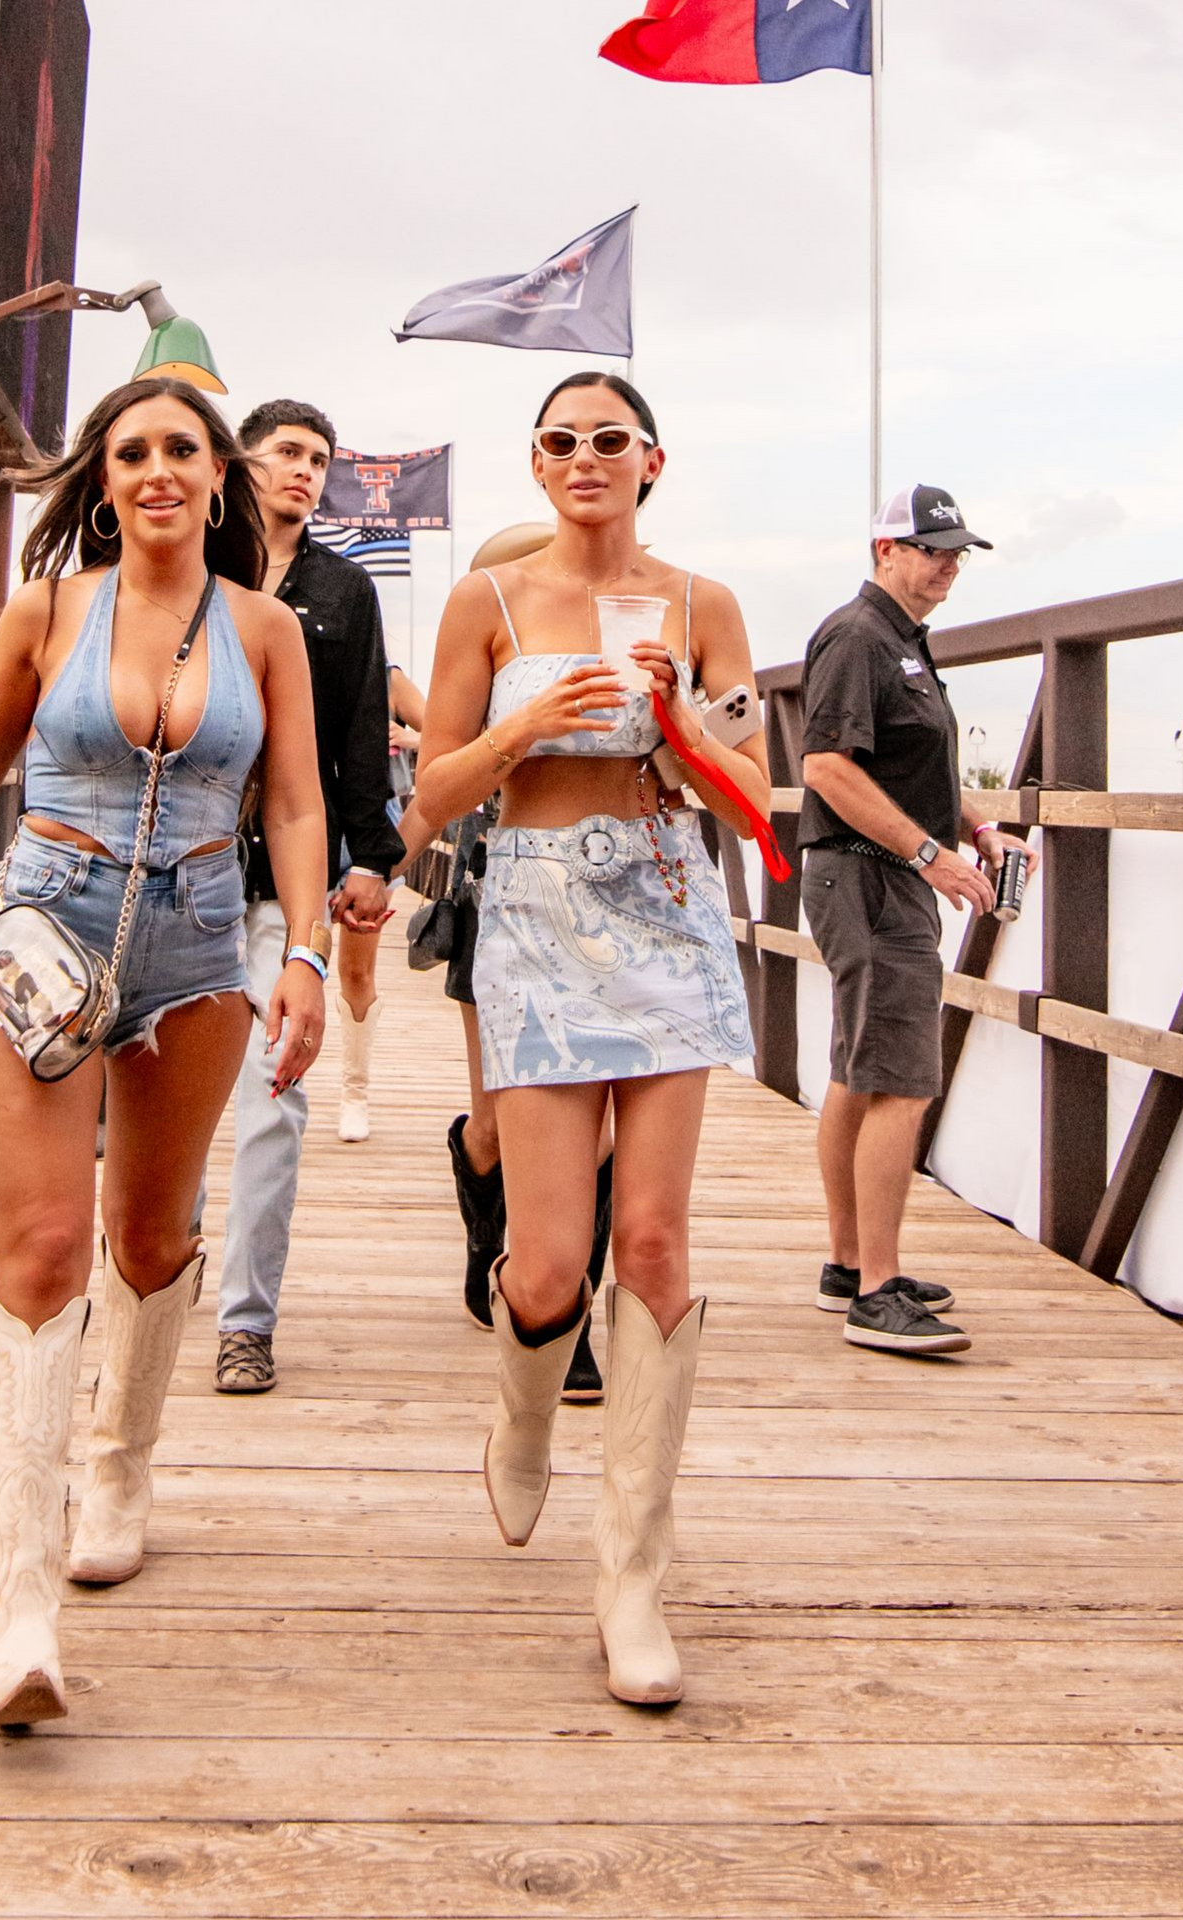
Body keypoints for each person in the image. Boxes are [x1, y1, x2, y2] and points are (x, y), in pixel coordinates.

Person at [0, 377, 329, 1728]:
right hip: (48, 935)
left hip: (200, 952)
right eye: (132, 451)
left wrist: (307, 953)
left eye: (181, 452)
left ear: (219, 479)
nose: (157, 471)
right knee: (39, 1252)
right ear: (104, 478)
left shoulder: (266, 629)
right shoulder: (48, 611)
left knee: (148, 1241)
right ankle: (17, 1603)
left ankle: (121, 1460)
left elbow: (299, 801)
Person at [413, 372, 765, 1706]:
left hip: (670, 909)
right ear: (537, 462)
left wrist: (682, 722)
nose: (583, 458)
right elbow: (429, 801)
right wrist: (518, 729)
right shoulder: (488, 604)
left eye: (608, 439)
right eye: (560, 441)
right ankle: (522, 1403)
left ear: (651, 459)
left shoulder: (703, 604)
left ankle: (633, 1579)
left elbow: (748, 798)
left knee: (657, 1242)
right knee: (549, 1260)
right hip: (543, 914)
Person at [798, 484, 1036, 1355]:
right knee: (900, 1081)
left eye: (956, 551)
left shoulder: (901, 643)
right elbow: (825, 765)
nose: (948, 564)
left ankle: (847, 1264)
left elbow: (910, 765)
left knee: (861, 1073)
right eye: (932, 548)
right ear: (883, 551)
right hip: (868, 877)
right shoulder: (859, 636)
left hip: (872, 876)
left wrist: (975, 827)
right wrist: (929, 855)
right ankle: (877, 1292)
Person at [214, 399, 404, 1394]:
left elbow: (362, 729)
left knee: (274, 1099)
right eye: (287, 452)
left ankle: (246, 1321)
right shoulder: (195, 569)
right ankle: (136, 1287)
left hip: (283, 881)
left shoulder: (344, 590)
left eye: (319, 459)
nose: (305, 470)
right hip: (176, 866)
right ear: (241, 461)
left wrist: (369, 853)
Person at [434, 525, 611, 1405]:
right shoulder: (483, 656)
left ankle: (571, 1320)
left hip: (604, 910)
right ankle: (484, 1220)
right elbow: (434, 781)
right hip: (494, 892)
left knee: (597, 1132)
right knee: (502, 1121)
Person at [333, 660, 424, 1141]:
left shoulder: (388, 679)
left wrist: (407, 739)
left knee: (355, 969)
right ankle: (281, 1088)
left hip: (370, 827)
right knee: (284, 958)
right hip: (308, 813)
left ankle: (355, 1092)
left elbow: (449, 734)